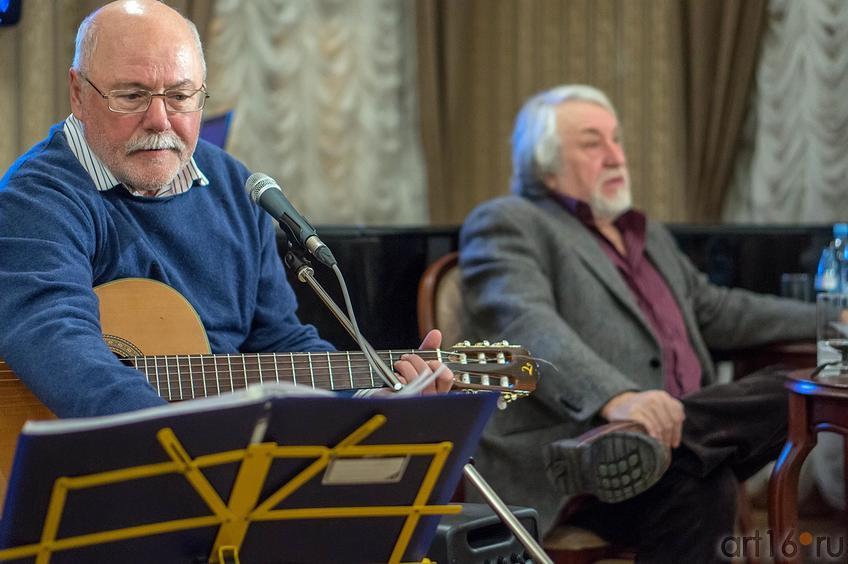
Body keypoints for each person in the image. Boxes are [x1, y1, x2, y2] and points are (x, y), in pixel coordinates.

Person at [0, 0, 452, 419]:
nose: (159, 120)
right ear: (78, 93)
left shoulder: (236, 188)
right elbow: (58, 342)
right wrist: (178, 439)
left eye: (180, 96)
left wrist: (367, 399)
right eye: (132, 96)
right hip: (104, 463)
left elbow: (277, 342)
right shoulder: (35, 197)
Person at [459, 84, 817, 562]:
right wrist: (617, 398)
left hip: (667, 457)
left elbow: (719, 310)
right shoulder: (508, 222)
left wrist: (829, 319)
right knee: (707, 479)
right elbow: (524, 323)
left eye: (617, 139)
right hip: (572, 471)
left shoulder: (647, 236)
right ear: (544, 165)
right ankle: (634, 442)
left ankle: (664, 441)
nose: (615, 156)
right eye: (593, 143)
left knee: (800, 386)